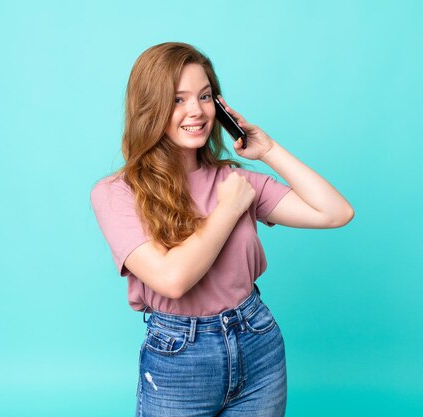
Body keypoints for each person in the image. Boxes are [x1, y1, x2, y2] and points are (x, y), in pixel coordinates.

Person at [91, 42, 354, 417]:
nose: (196, 111)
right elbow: (172, 280)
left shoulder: (235, 179)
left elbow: (335, 212)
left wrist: (268, 150)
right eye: (177, 99)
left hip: (257, 343)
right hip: (179, 358)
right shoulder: (117, 193)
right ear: (149, 108)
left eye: (204, 96)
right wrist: (228, 209)